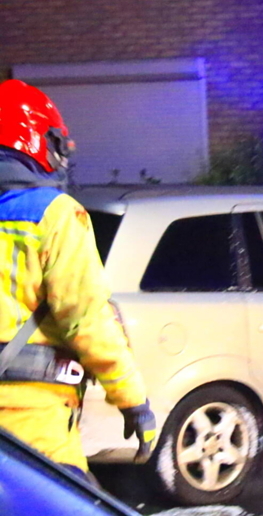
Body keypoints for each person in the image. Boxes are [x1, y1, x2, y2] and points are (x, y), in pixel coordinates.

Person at [0, 79, 155, 480]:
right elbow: (86, 318)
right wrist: (132, 400)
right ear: (35, 143)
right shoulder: (55, 215)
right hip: (31, 423)